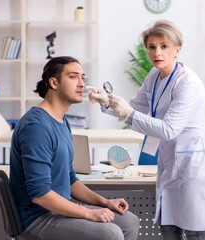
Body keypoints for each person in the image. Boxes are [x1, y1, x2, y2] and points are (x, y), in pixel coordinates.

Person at [87, 19, 205, 240]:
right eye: (152, 47)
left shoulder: (188, 84)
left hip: (191, 166)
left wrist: (126, 112)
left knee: (195, 232)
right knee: (169, 229)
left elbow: (168, 129)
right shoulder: (154, 76)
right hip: (169, 163)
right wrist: (106, 101)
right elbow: (136, 107)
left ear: (178, 49)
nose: (157, 52)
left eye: (164, 46)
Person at [9, 56, 140, 240]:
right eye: (73, 77)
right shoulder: (36, 126)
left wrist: (105, 202)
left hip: (60, 209)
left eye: (82, 78)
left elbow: (70, 180)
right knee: (111, 233)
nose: (81, 84)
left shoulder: (63, 122)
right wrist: (88, 213)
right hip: (38, 217)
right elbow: (40, 195)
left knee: (129, 222)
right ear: (53, 82)